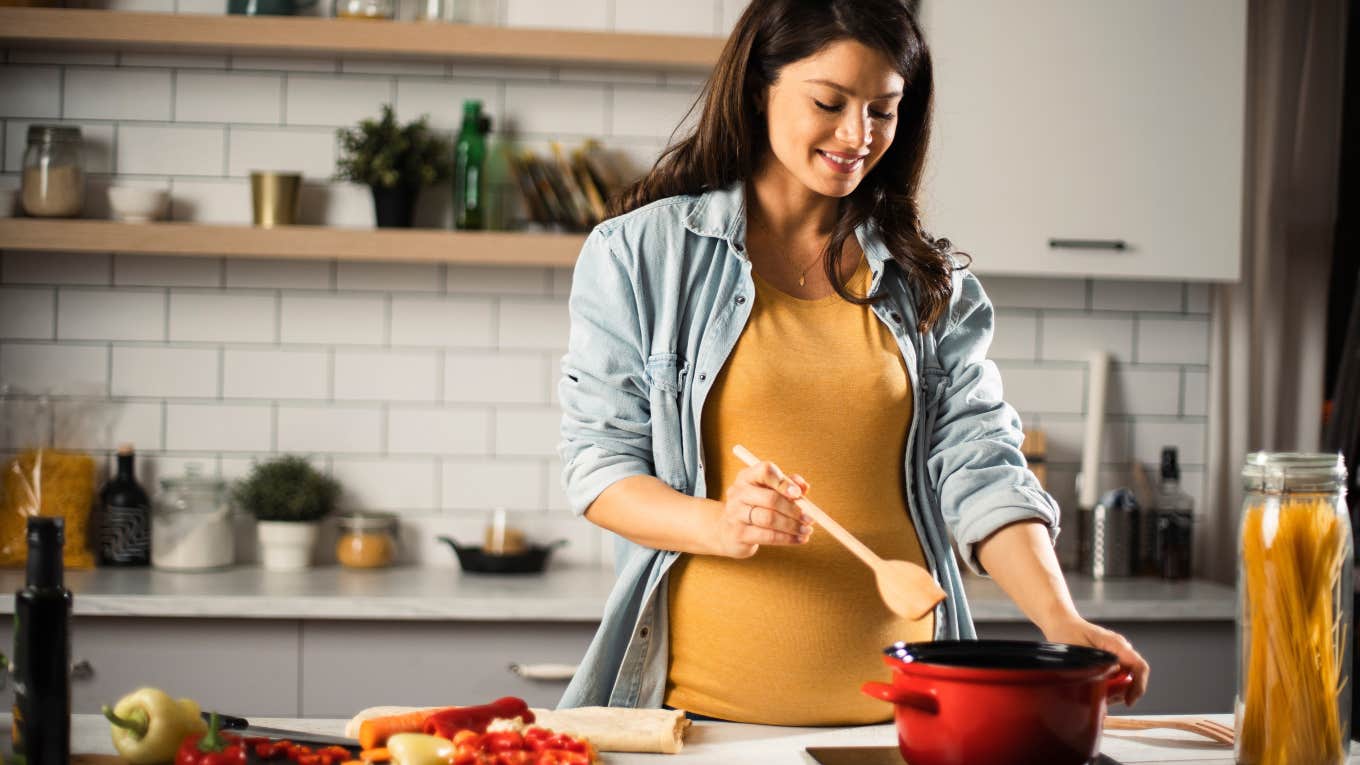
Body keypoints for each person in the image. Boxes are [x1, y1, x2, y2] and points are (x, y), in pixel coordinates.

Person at [556, 0, 1149, 725]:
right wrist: (720, 524)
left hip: (911, 725)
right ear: (757, 88)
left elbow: (983, 468)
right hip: (705, 727)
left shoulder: (931, 284)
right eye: (829, 102)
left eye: (884, 110)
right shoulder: (641, 255)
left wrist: (1062, 622)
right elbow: (601, 469)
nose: (857, 136)